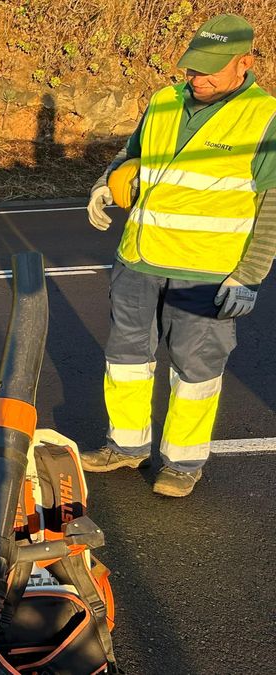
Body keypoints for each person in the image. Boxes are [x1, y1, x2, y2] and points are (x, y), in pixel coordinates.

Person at [84, 14, 276, 497]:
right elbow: (132, 157)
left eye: (210, 69)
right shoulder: (163, 101)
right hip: (139, 260)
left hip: (207, 273)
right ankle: (126, 447)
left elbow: (271, 203)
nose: (196, 78)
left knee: (196, 370)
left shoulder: (265, 117)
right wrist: (107, 183)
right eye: (192, 67)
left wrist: (249, 275)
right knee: (126, 360)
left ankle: (183, 463)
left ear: (245, 64)